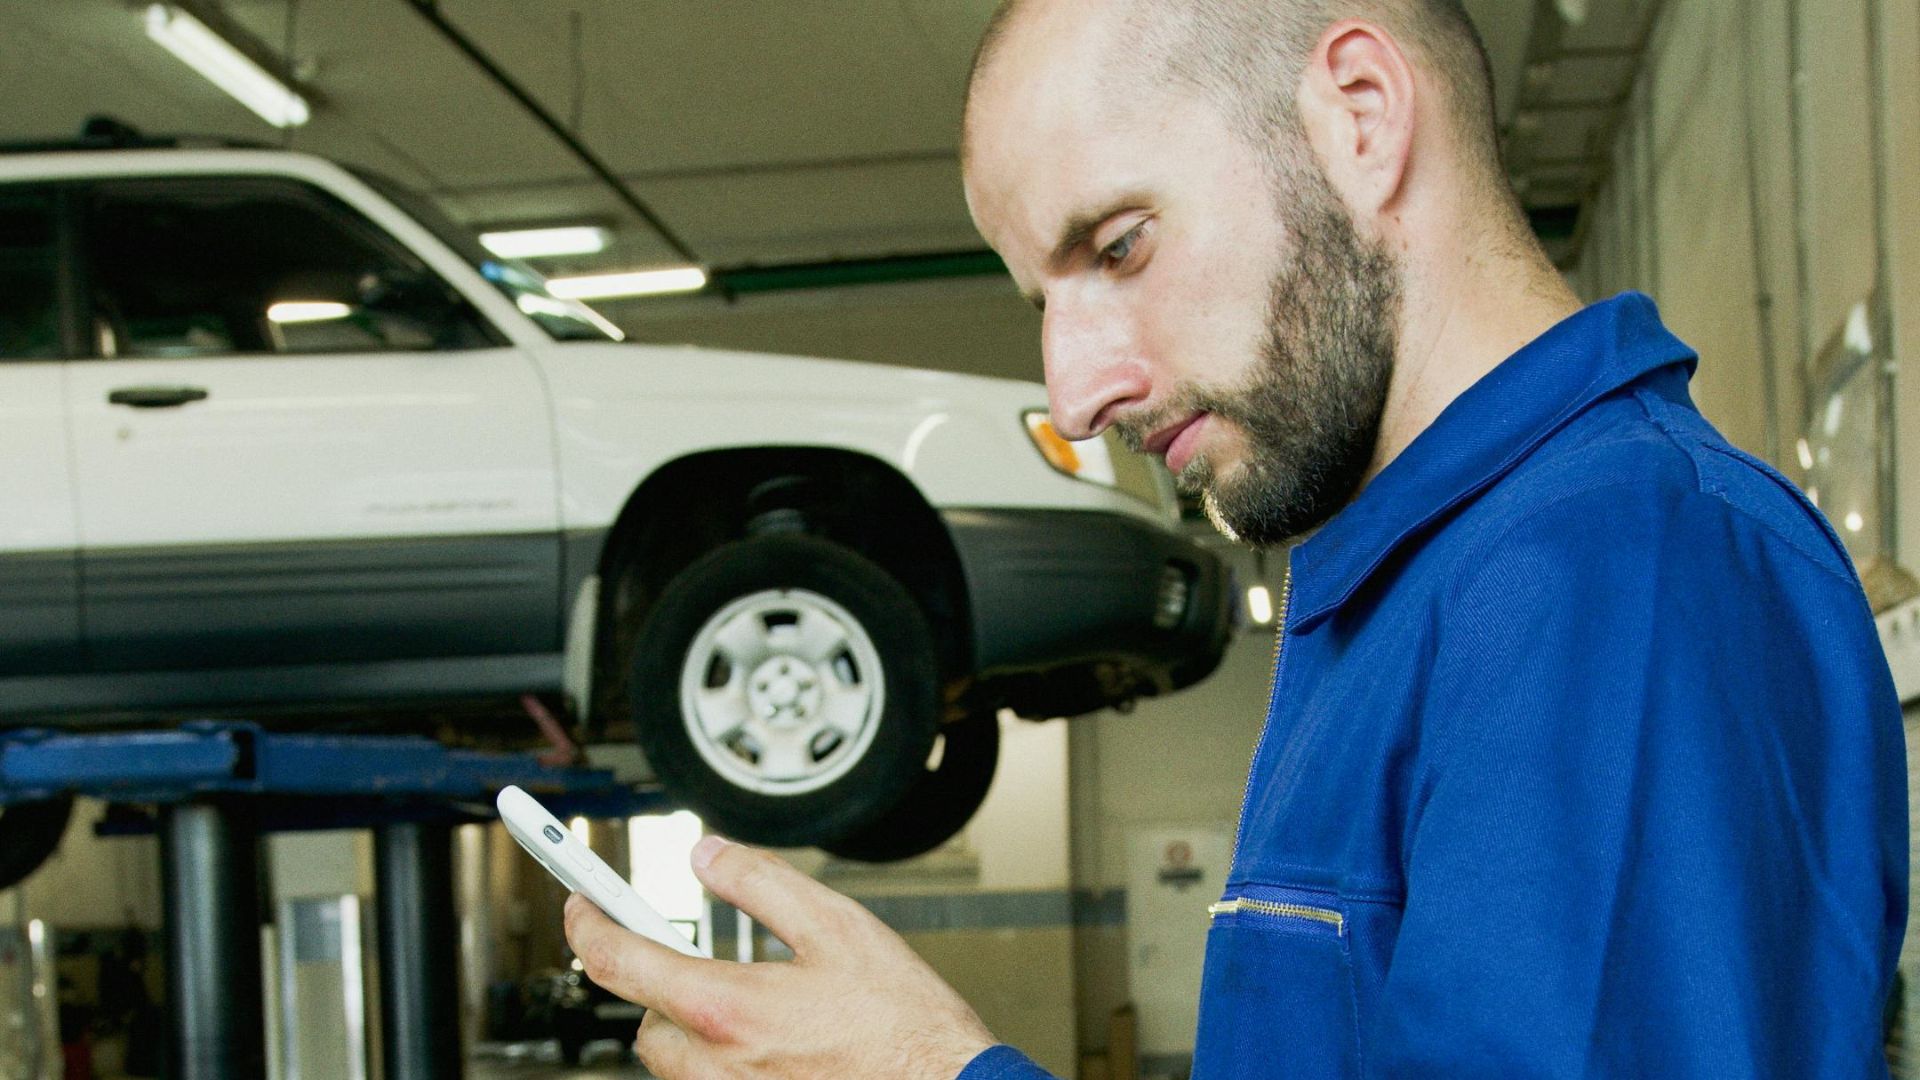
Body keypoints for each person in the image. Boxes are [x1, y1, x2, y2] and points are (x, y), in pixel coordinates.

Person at [563, 0, 1910, 1075]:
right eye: (1044, 293)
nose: (1076, 389)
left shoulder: (1624, 568)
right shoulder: (1407, 588)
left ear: (1362, 119)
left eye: (1123, 244)